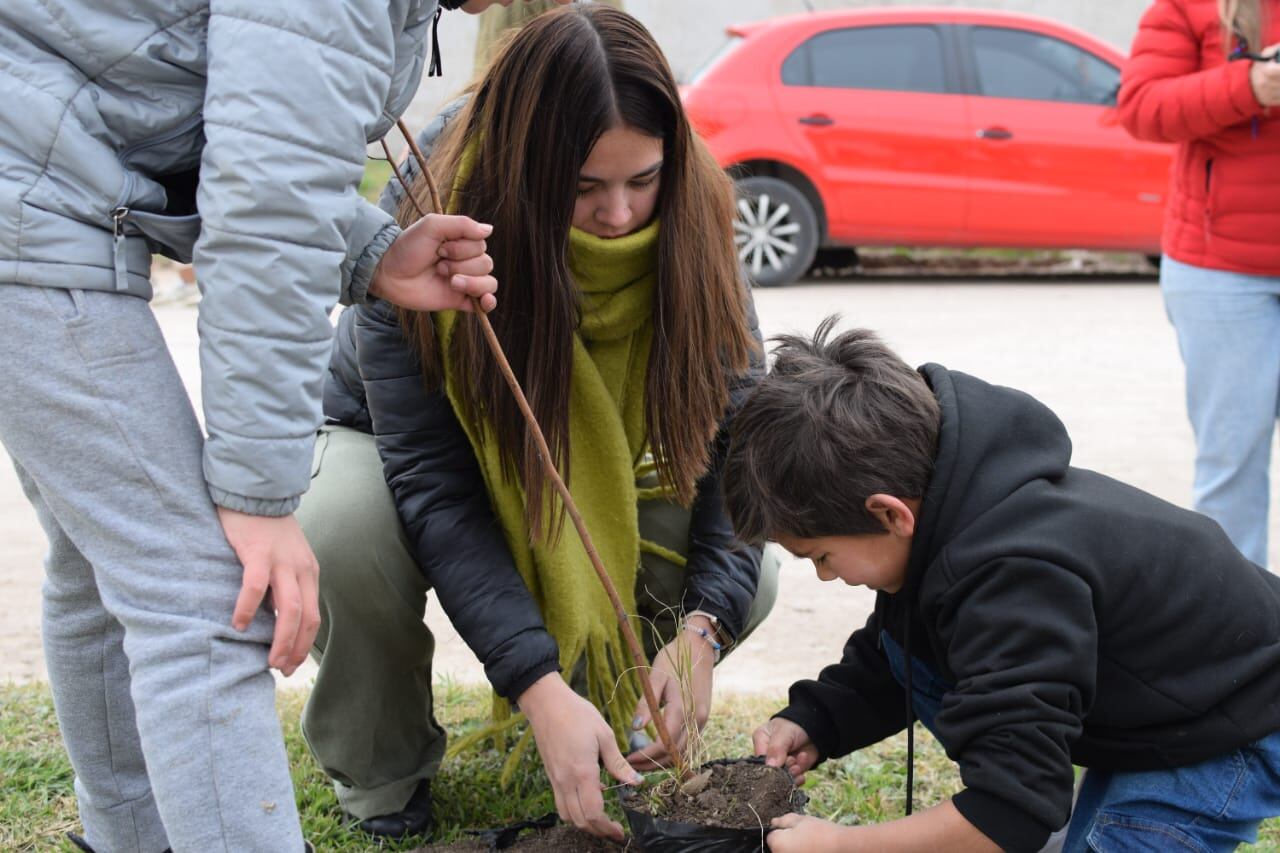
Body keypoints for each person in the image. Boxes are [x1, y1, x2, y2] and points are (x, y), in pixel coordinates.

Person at [0, 0, 528, 849]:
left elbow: (222, 128)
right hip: (27, 207)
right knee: (207, 593)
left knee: (104, 558)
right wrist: (259, 494)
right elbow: (266, 214)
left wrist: (367, 248)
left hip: (35, 182)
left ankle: (128, 838)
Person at [296, 4, 778, 841]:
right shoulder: (429, 211)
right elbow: (435, 486)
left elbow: (744, 446)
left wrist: (703, 627)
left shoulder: (699, 210)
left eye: (642, 179)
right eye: (584, 187)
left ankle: (625, 704)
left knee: (748, 575)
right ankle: (383, 766)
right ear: (527, 166)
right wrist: (532, 677)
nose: (621, 214)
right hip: (397, 442)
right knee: (342, 529)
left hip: (592, 450)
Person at [723, 320, 1280, 853]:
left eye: (820, 556)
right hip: (1161, 687)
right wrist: (816, 719)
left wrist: (847, 845)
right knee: (918, 656)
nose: (824, 575)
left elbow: (1014, 806)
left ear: (891, 515)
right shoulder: (947, 497)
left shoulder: (1014, 578)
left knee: (1057, 821)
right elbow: (902, 652)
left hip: (1237, 718)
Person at [1118, 0, 1280, 569]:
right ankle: (1246, 632)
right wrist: (1250, 85)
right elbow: (1141, 107)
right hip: (1221, 270)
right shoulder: (1191, 6)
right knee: (1231, 461)